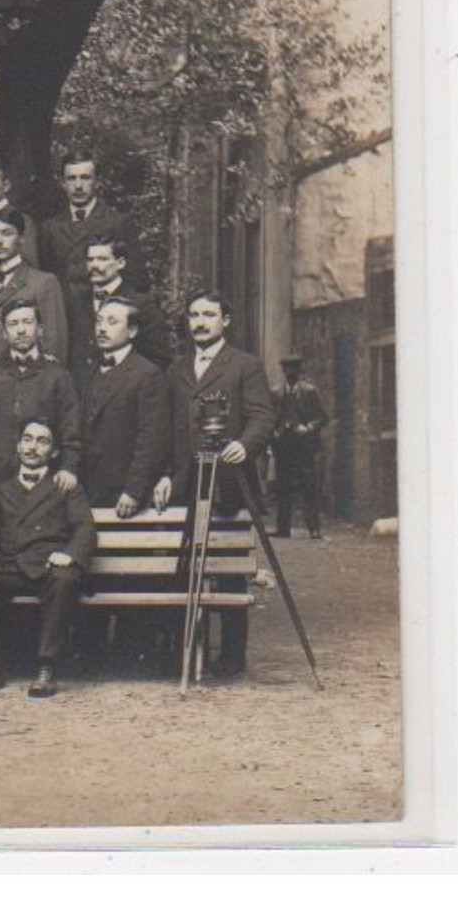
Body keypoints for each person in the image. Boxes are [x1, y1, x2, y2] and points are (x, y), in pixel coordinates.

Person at [153, 290, 276, 677]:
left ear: (226, 321)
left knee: (228, 566)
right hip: (186, 481)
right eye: (193, 315)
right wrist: (164, 475)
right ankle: (185, 648)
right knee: (183, 563)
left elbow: (262, 416)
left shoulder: (245, 365)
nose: (200, 322)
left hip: (228, 481)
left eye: (209, 314)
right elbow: (166, 428)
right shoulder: (176, 370)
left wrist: (245, 444)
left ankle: (232, 654)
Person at [0, 417, 95, 698]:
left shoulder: (65, 486)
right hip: (8, 566)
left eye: (42, 441)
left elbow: (85, 528)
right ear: (18, 446)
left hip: (47, 566)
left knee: (64, 579)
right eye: (28, 439)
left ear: (55, 452)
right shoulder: (0, 489)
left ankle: (47, 666)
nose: (33, 447)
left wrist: (69, 555)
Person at [81, 297, 169, 516]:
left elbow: (151, 440)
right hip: (89, 489)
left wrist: (133, 491)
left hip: (124, 493)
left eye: (112, 322)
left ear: (132, 331)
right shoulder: (88, 371)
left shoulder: (147, 374)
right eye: (99, 321)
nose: (102, 328)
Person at [0, 299, 82, 486]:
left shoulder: (58, 376)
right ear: (4, 333)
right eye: (13, 324)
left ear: (40, 329)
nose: (21, 330)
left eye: (27, 322)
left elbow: (70, 428)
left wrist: (68, 468)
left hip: (46, 478)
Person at [67, 236, 170, 384]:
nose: (94, 265)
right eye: (90, 260)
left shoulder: (142, 305)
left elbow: (158, 359)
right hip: (83, 393)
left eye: (102, 259)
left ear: (120, 263)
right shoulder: (76, 302)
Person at [0, 209, 66, 369]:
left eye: (7, 233)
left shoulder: (43, 282)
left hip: (24, 381)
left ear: (21, 238)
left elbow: (54, 344)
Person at [38, 150, 135, 286]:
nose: (78, 186)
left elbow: (136, 280)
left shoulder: (117, 222)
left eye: (85, 177)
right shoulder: (50, 227)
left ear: (97, 181)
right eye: (71, 178)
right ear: (63, 183)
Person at [273, 354, 329, 540]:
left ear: (299, 371)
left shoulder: (309, 391)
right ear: (283, 371)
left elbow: (322, 417)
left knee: (309, 487)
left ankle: (314, 528)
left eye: (294, 369)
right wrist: (275, 432)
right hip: (284, 446)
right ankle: (283, 529)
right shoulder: (277, 392)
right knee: (283, 487)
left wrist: (308, 427)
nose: (291, 373)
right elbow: (271, 418)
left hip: (304, 447)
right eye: (287, 369)